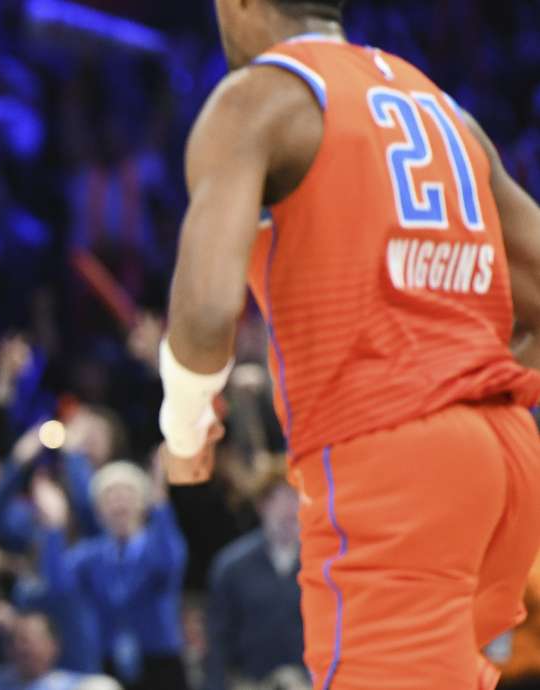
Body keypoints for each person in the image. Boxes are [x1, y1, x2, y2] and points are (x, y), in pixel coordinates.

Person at [156, 0, 540, 688]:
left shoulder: (259, 98)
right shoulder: (439, 105)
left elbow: (207, 314)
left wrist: (184, 436)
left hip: (391, 457)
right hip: (507, 454)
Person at [35, 459, 188, 689]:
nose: (118, 502)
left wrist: (160, 504)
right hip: (109, 660)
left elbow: (170, 565)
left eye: (127, 493)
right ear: (98, 510)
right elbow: (58, 587)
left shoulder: (157, 545)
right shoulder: (91, 555)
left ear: (142, 504)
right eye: (109, 496)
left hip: (161, 661)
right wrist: (55, 527)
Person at [204, 463, 304, 689]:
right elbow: (219, 637)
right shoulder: (232, 566)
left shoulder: (324, 564)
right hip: (253, 681)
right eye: (281, 499)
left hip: (311, 679)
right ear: (262, 506)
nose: (290, 509)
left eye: (296, 498)